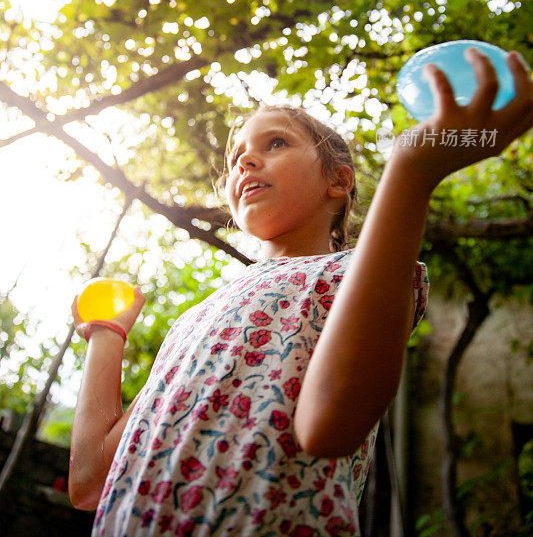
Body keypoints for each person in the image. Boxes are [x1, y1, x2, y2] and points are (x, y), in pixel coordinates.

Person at [69, 47, 533, 536]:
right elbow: (90, 480)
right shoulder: (194, 320)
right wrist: (106, 335)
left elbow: (329, 426)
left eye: (275, 143)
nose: (245, 159)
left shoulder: (360, 274)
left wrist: (410, 169)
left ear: (338, 181)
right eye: (236, 157)